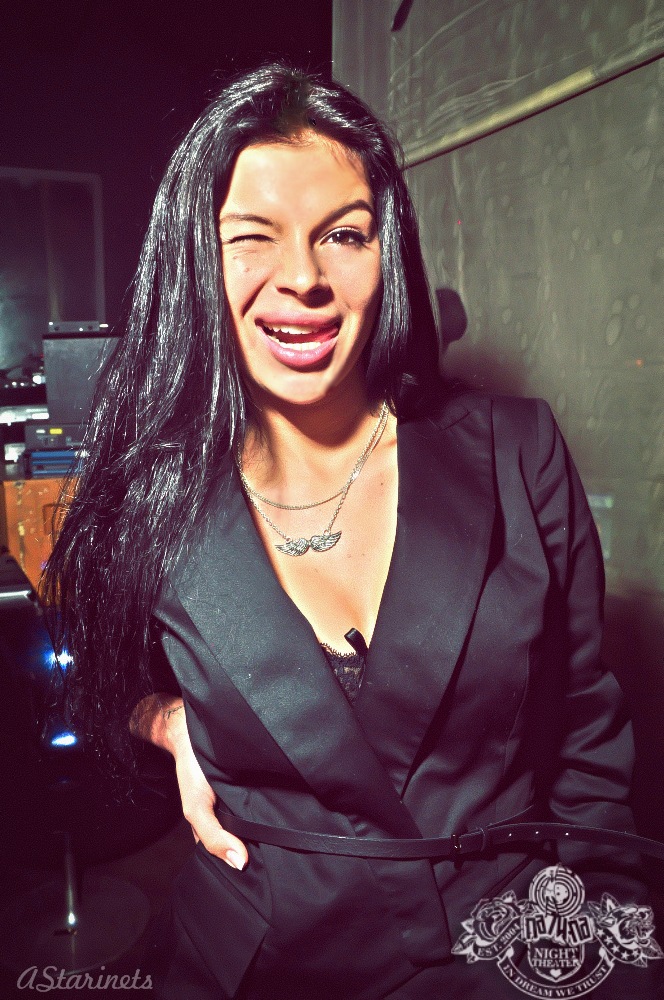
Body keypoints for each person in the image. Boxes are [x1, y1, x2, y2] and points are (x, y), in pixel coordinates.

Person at [43, 64, 659, 999]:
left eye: (343, 234)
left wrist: (598, 955)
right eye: (253, 237)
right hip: (255, 962)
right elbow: (100, 671)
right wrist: (167, 720)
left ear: (387, 250)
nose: (303, 278)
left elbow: (587, 745)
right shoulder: (149, 493)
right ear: (196, 263)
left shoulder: (517, 450)